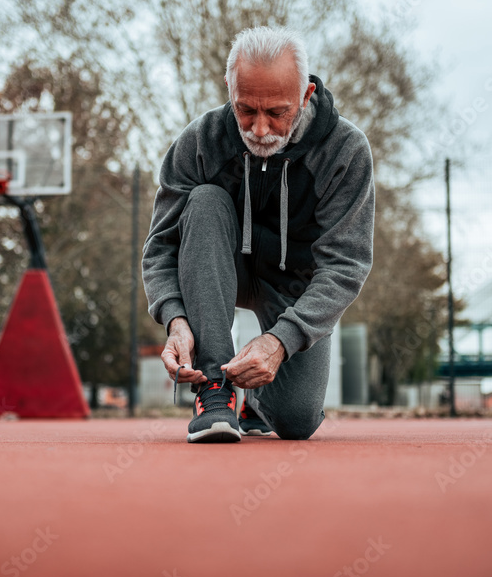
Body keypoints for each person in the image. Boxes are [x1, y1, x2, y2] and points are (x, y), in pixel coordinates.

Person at [142, 26, 375, 443]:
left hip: (293, 282)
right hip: (216, 263)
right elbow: (161, 247)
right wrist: (176, 320)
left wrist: (280, 341)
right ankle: (215, 389)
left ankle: (256, 404)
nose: (261, 130)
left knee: (297, 420)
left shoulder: (345, 151)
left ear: (305, 96)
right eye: (246, 109)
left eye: (277, 112)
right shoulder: (200, 142)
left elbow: (345, 265)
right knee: (206, 201)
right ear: (229, 89)